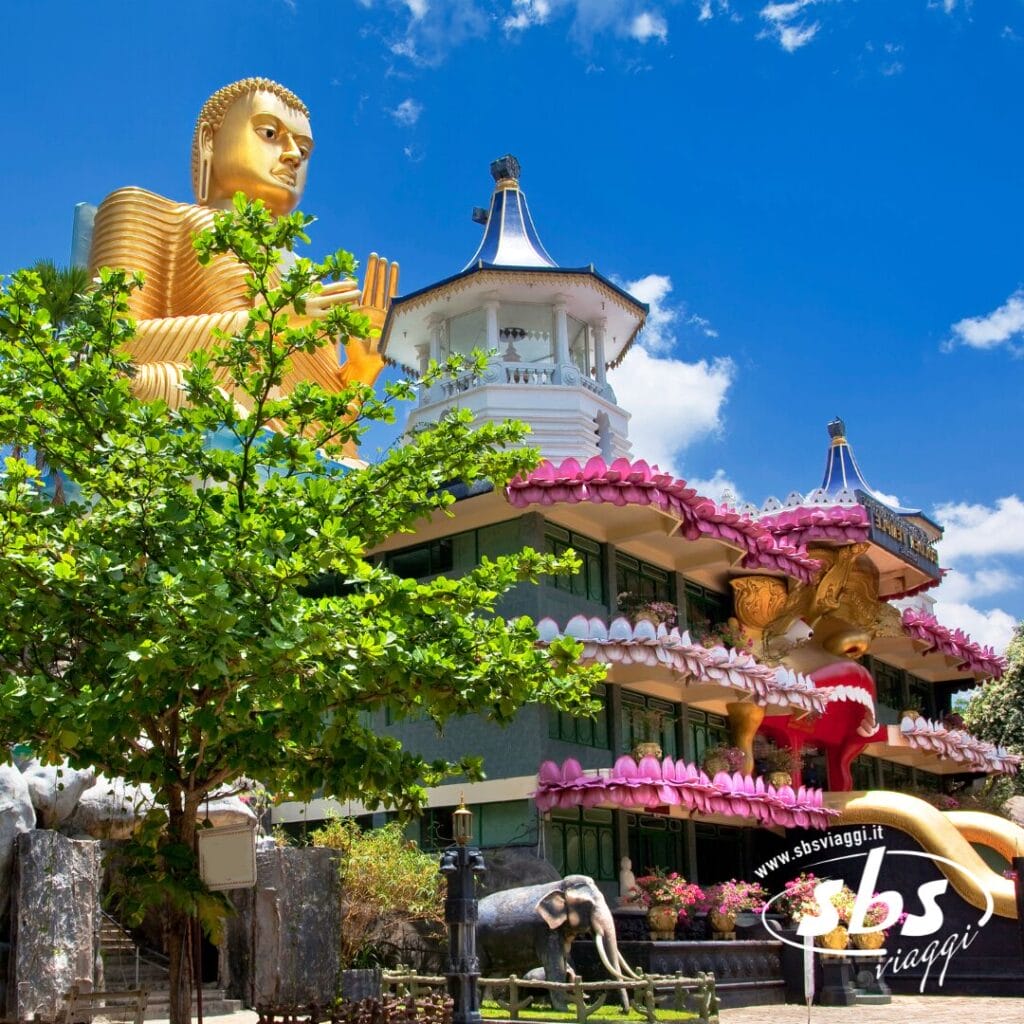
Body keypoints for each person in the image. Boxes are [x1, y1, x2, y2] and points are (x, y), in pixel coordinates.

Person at [88, 77, 396, 436]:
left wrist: (358, 377)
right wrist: (267, 323)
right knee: (155, 385)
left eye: (305, 150)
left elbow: (321, 430)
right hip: (197, 418)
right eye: (269, 133)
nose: (293, 155)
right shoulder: (146, 212)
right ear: (210, 139)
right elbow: (108, 352)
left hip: (285, 458)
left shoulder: (308, 281)